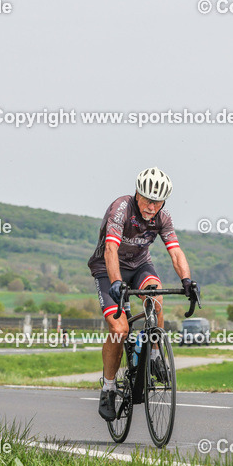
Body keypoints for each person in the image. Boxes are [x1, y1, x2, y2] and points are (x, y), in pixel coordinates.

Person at [88, 167, 200, 421]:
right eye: (148, 200)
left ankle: (156, 355)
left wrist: (187, 280)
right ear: (137, 194)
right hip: (108, 268)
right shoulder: (120, 209)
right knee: (119, 330)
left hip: (139, 266)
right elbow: (110, 249)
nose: (152, 207)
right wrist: (116, 282)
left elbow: (175, 251)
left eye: (158, 202)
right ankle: (108, 388)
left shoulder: (163, 217)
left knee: (156, 298)